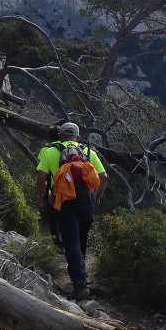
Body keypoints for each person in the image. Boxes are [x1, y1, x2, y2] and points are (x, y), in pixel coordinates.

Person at [35, 122, 108, 300]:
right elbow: (104, 177)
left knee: (71, 242)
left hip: (65, 199)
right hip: (87, 199)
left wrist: (43, 196)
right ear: (78, 138)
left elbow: (41, 178)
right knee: (82, 238)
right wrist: (97, 198)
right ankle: (81, 278)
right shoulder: (89, 152)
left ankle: (79, 285)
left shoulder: (50, 151)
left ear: (60, 136)